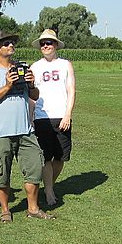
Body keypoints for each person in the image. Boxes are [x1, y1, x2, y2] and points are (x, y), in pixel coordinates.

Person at [0, 30, 54, 222]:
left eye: (12, 42)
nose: (11, 45)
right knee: (2, 173)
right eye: (6, 43)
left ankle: (33, 208)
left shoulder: (22, 68)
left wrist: (31, 84)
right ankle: (5, 210)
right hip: (1, 132)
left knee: (35, 169)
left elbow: (34, 96)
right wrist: (7, 86)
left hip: (26, 131)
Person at [29, 29, 76, 206]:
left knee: (61, 157)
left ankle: (49, 184)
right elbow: (31, 95)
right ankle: (49, 191)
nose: (45, 46)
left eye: (49, 43)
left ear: (56, 45)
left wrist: (68, 114)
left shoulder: (65, 65)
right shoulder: (35, 67)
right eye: (42, 43)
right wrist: (31, 117)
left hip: (62, 117)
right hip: (42, 117)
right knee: (45, 157)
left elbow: (71, 90)